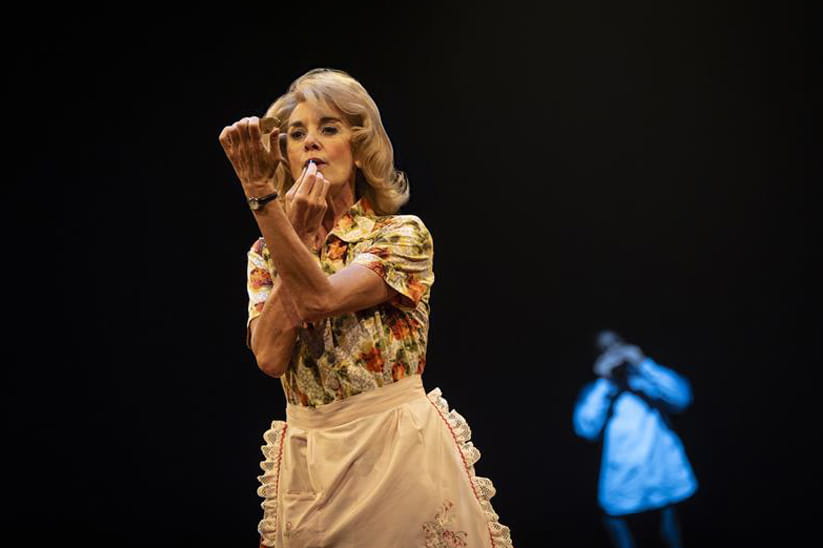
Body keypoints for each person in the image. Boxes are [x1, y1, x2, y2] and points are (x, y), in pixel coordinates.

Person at [219, 68, 514, 548]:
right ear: (285, 157)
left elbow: (322, 299)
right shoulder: (263, 253)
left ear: (358, 149)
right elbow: (270, 357)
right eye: (297, 134)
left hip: (395, 449)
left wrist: (263, 201)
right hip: (312, 457)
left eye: (328, 129)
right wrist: (290, 234)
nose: (311, 142)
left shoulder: (400, 234)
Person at [573, 330, 697, 548]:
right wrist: (605, 382)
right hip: (623, 488)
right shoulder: (596, 391)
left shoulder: (649, 380)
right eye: (605, 349)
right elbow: (585, 429)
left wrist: (643, 364)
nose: (613, 353)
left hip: (664, 481)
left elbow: (682, 398)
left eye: (616, 345)